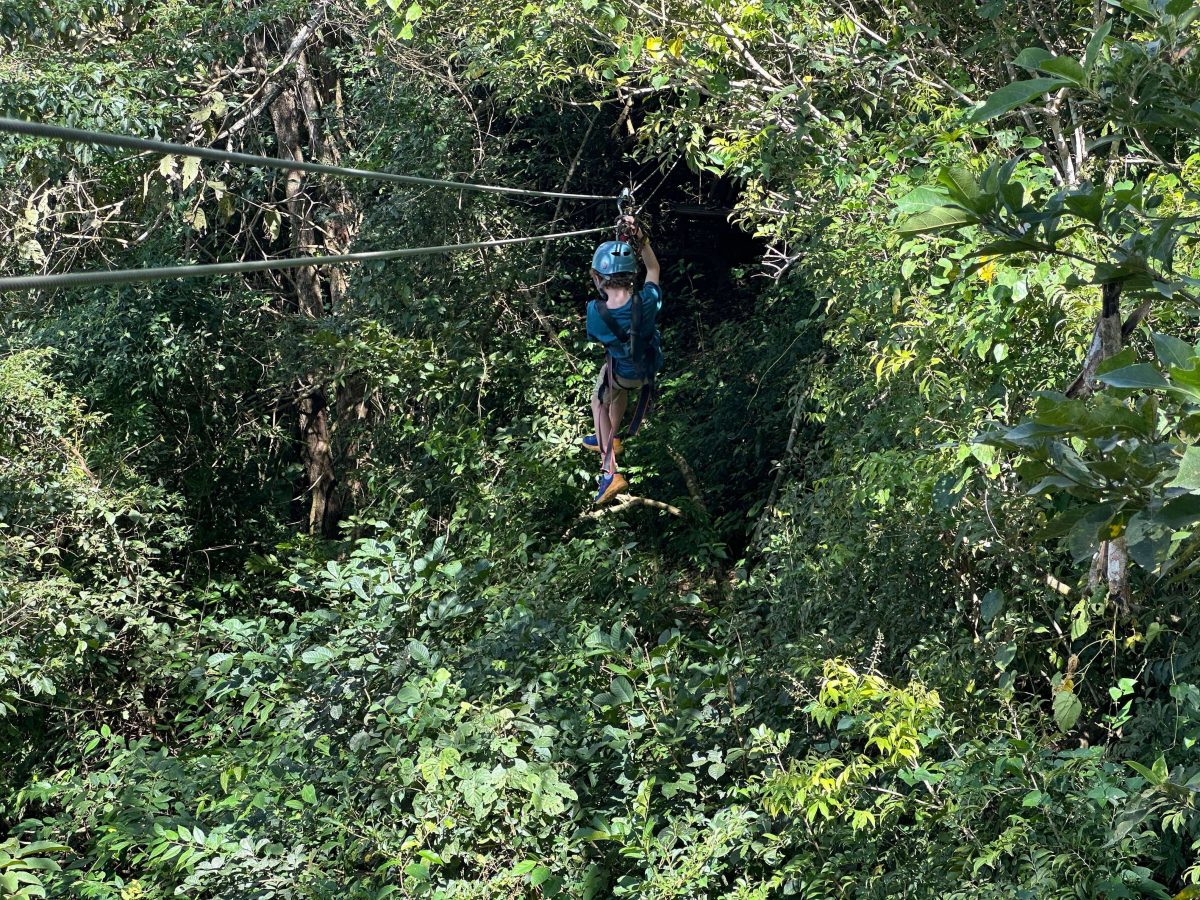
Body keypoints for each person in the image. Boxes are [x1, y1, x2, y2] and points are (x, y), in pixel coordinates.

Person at [583, 217, 662, 505]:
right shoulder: (648, 301)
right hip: (648, 371)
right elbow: (653, 268)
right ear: (632, 276)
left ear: (597, 277)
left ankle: (609, 471)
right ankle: (612, 438)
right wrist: (641, 238)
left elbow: (597, 336)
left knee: (598, 400)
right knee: (616, 391)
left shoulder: (595, 311)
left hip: (621, 371)